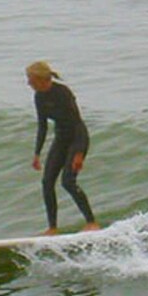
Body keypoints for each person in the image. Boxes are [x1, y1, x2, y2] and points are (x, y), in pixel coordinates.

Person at [26, 61, 100, 236]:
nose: (28, 83)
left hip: (77, 137)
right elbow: (42, 126)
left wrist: (79, 153)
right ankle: (52, 228)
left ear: (41, 79)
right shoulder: (39, 96)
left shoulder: (62, 93)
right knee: (47, 182)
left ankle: (91, 222)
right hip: (61, 139)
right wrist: (37, 153)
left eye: (30, 79)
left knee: (67, 182)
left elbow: (77, 124)